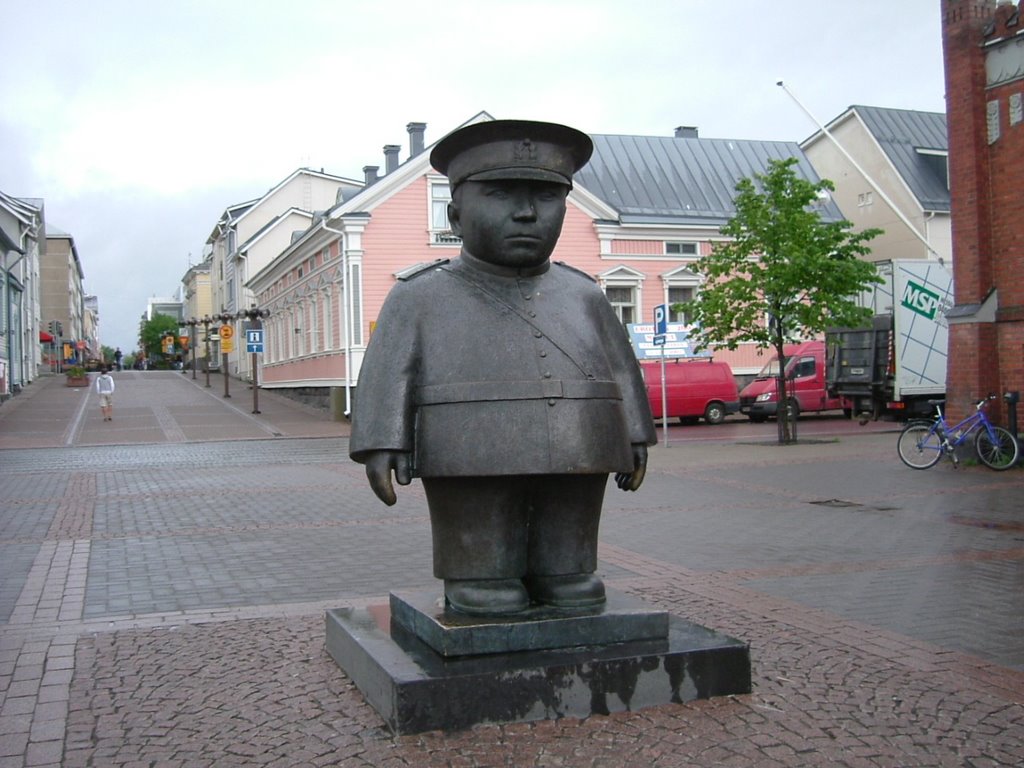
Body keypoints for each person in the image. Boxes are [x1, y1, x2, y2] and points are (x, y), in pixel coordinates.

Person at [349, 119, 657, 617]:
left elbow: (620, 367)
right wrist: (381, 440)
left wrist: (636, 434)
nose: (526, 213)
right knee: (483, 551)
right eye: (500, 195)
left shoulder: (584, 295)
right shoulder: (418, 295)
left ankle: (566, 567)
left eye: (546, 198)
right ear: (455, 215)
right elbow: (388, 372)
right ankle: (478, 570)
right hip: (468, 447)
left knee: (571, 551)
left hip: (580, 440)